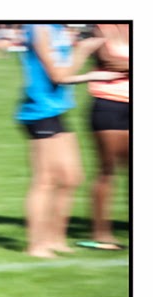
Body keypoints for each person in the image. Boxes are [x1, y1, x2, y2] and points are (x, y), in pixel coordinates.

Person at [14, 24, 124, 258]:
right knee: (45, 180)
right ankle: (36, 245)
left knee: (72, 178)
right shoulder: (39, 28)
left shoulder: (58, 29)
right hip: (39, 111)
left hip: (57, 110)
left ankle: (55, 239)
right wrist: (84, 54)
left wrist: (87, 68)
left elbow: (62, 73)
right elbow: (58, 75)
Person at [80, 23, 129, 250]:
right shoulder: (101, 28)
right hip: (109, 104)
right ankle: (102, 234)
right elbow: (110, 61)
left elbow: (121, 65)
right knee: (107, 170)